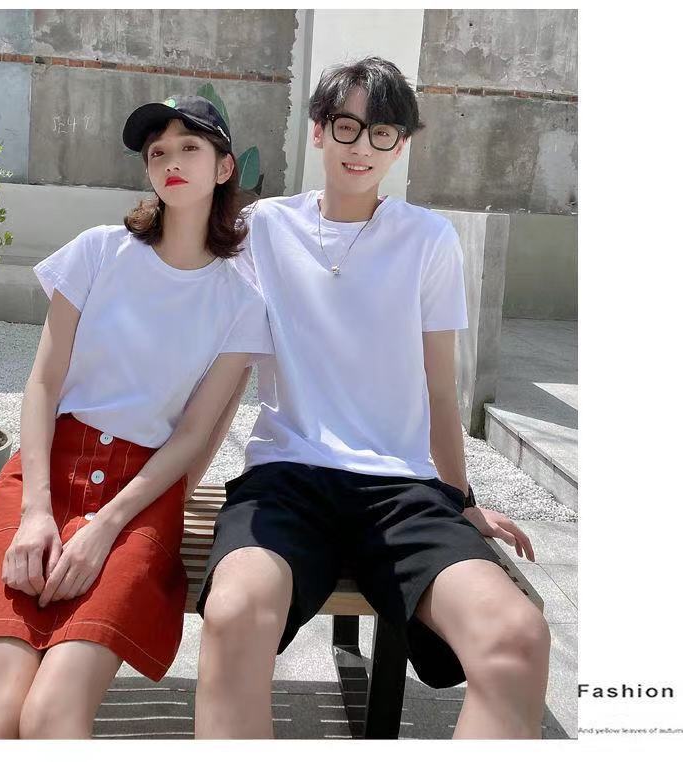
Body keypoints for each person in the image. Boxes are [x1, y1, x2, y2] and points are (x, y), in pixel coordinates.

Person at [194, 57, 551, 740]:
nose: (362, 146)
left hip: (400, 487)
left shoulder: (427, 239)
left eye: (382, 132)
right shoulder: (263, 227)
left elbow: (439, 387)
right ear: (318, 130)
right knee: (234, 614)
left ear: (401, 144)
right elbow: (223, 363)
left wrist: (463, 499)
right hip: (288, 478)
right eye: (347, 126)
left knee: (517, 636)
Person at [0, 95, 273, 739]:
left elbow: (193, 435)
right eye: (157, 152)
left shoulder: (240, 300)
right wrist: (36, 510)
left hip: (141, 493)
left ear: (225, 167)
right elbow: (42, 384)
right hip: (45, 473)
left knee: (52, 713)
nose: (171, 162)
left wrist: (107, 525)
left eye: (190, 147)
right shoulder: (96, 253)